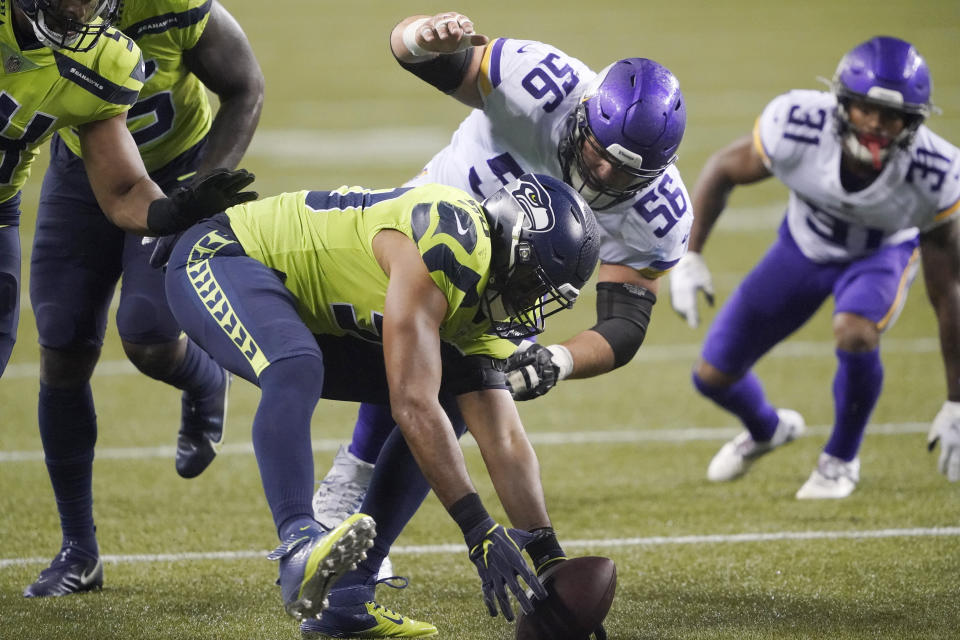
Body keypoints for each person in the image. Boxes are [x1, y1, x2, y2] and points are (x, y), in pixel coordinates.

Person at [311, 9, 691, 565]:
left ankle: (363, 524)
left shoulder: (658, 214)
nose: (604, 178)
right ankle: (344, 487)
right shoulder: (538, 83)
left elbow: (626, 321)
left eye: (627, 174)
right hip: (415, 238)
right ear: (583, 115)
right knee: (407, 365)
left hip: (498, 297)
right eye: (600, 156)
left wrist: (559, 359)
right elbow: (409, 53)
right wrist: (421, 36)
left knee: (460, 388)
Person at [161, 173, 601, 630]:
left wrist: (548, 557)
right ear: (513, 243)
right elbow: (410, 404)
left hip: (305, 309)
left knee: (452, 393)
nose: (529, 303)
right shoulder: (454, 242)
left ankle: (349, 592)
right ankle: (298, 544)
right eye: (532, 285)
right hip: (223, 255)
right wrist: (478, 529)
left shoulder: (484, 300)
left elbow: (505, 438)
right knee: (295, 366)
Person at [21, 0, 262, 597]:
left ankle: (206, 380)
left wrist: (200, 189)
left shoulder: (169, 5)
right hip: (81, 175)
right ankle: (79, 550)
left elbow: (245, 86)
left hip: (175, 175)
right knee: (60, 336)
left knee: (149, 335)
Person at [669, 36, 960, 498]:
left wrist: (956, 401)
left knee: (856, 330)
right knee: (712, 376)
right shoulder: (798, 125)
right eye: (867, 109)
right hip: (801, 249)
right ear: (843, 103)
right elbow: (724, 168)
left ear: (913, 121)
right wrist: (691, 254)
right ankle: (767, 430)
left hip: (880, 255)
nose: (877, 126)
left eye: (892, 116)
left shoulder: (935, 171)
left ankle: (840, 460)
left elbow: (949, 291)